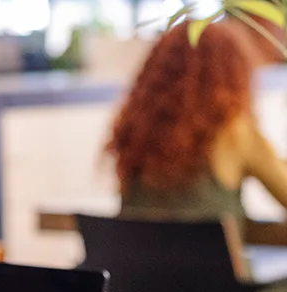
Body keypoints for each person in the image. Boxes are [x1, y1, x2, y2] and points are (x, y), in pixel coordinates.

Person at [108, 18, 287, 228]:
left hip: (133, 261)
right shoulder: (235, 133)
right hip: (214, 261)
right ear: (231, 71)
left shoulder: (138, 132)